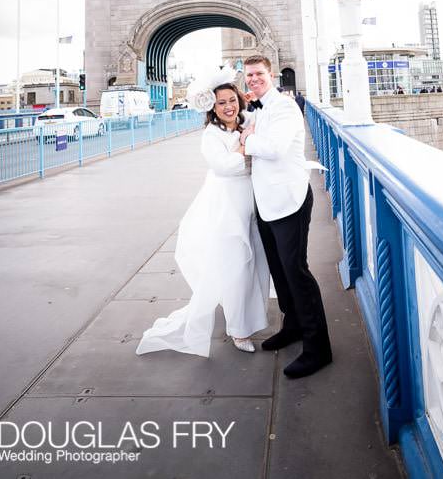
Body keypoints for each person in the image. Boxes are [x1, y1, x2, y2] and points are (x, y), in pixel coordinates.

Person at [135, 66, 270, 358]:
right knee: (236, 267)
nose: (228, 107)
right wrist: (247, 144)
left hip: (252, 201)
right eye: (221, 103)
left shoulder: (246, 120)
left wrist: (249, 126)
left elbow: (264, 114)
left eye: (232, 100)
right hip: (226, 204)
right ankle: (239, 330)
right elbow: (223, 166)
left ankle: (250, 317)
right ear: (212, 107)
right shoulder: (211, 134)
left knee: (254, 263)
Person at [240, 55, 332, 379]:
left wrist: (246, 140)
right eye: (249, 75)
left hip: (289, 201)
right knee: (279, 271)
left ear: (272, 74)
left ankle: (318, 348)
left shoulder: (285, 107)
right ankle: (292, 324)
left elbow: (276, 148)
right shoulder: (257, 108)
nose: (253, 79)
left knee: (297, 272)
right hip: (266, 201)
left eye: (258, 74)